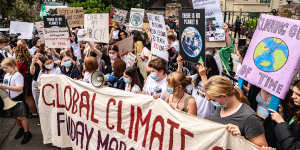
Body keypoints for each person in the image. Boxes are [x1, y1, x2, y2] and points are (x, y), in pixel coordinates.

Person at [205, 76, 268, 147]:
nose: (212, 102)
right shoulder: (222, 106)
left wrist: (240, 139)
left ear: (224, 96)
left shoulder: (250, 118)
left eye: (213, 100)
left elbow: (260, 147)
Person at [0, 58, 32, 144]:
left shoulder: (18, 75)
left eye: (6, 68)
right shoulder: (6, 75)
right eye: (3, 68)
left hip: (18, 99)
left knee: (21, 117)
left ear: (12, 66)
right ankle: (21, 129)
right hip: (9, 99)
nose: (4, 70)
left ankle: (27, 132)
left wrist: (5, 87)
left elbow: (19, 88)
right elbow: (6, 86)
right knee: (15, 116)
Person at [262, 80, 300, 150]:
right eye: (293, 92)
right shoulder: (296, 110)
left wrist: (281, 122)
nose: (293, 96)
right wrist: (281, 114)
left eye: (298, 94)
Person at [14, 40, 36, 117]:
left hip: (24, 82)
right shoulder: (29, 59)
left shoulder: (19, 63)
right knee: (31, 97)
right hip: (30, 80)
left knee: (28, 98)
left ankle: (34, 113)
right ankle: (34, 112)